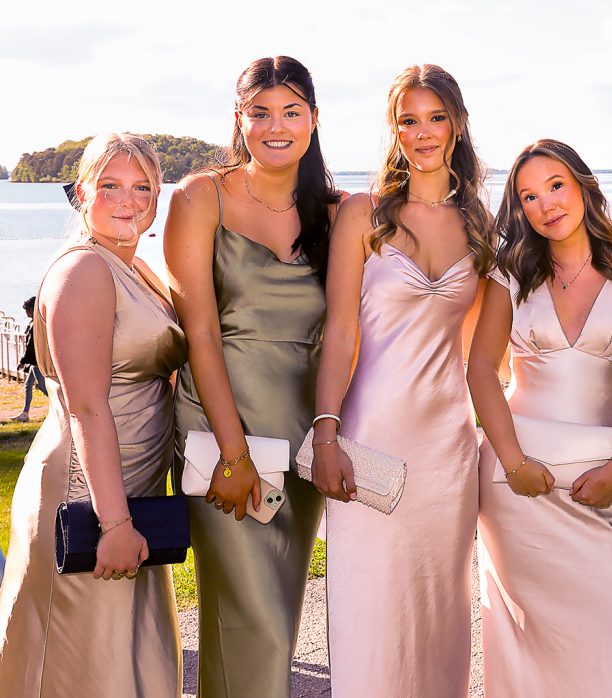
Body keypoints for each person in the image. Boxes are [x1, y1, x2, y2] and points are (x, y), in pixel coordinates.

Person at [311, 64, 492, 697]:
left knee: (439, 612)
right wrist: (326, 434)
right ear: (394, 130)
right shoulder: (362, 214)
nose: (423, 133)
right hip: (370, 438)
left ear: (458, 124)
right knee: (371, 613)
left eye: (436, 118)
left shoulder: (480, 223)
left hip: (448, 449)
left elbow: (481, 350)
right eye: (408, 121)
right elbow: (340, 332)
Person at [164, 56, 342, 696]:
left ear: (314, 119)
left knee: (277, 621)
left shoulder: (337, 212)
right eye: (260, 113)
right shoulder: (200, 197)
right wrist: (233, 451)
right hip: (220, 431)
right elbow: (201, 334)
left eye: (291, 112)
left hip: (300, 434)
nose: (276, 126)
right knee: (252, 622)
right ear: (238, 119)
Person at [468, 139, 612, 697]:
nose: (546, 204)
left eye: (555, 185)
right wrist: (513, 464)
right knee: (525, 656)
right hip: (516, 486)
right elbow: (481, 370)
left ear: (582, 184)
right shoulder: (510, 270)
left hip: (602, 480)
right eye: (528, 196)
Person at [0, 133, 186, 696]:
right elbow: (87, 406)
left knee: (130, 664)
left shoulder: (138, 268)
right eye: (110, 186)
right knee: (83, 673)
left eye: (142, 188)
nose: (128, 200)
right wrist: (115, 524)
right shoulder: (82, 271)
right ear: (81, 193)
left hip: (134, 491)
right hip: (88, 498)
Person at [12, 296, 48, 423]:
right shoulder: (37, 323)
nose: (26, 313)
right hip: (36, 360)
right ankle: (25, 413)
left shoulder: (34, 325)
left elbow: (31, 346)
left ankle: (63, 405)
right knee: (28, 384)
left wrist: (23, 361)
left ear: (32, 309)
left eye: (27, 310)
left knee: (42, 386)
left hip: (36, 361)